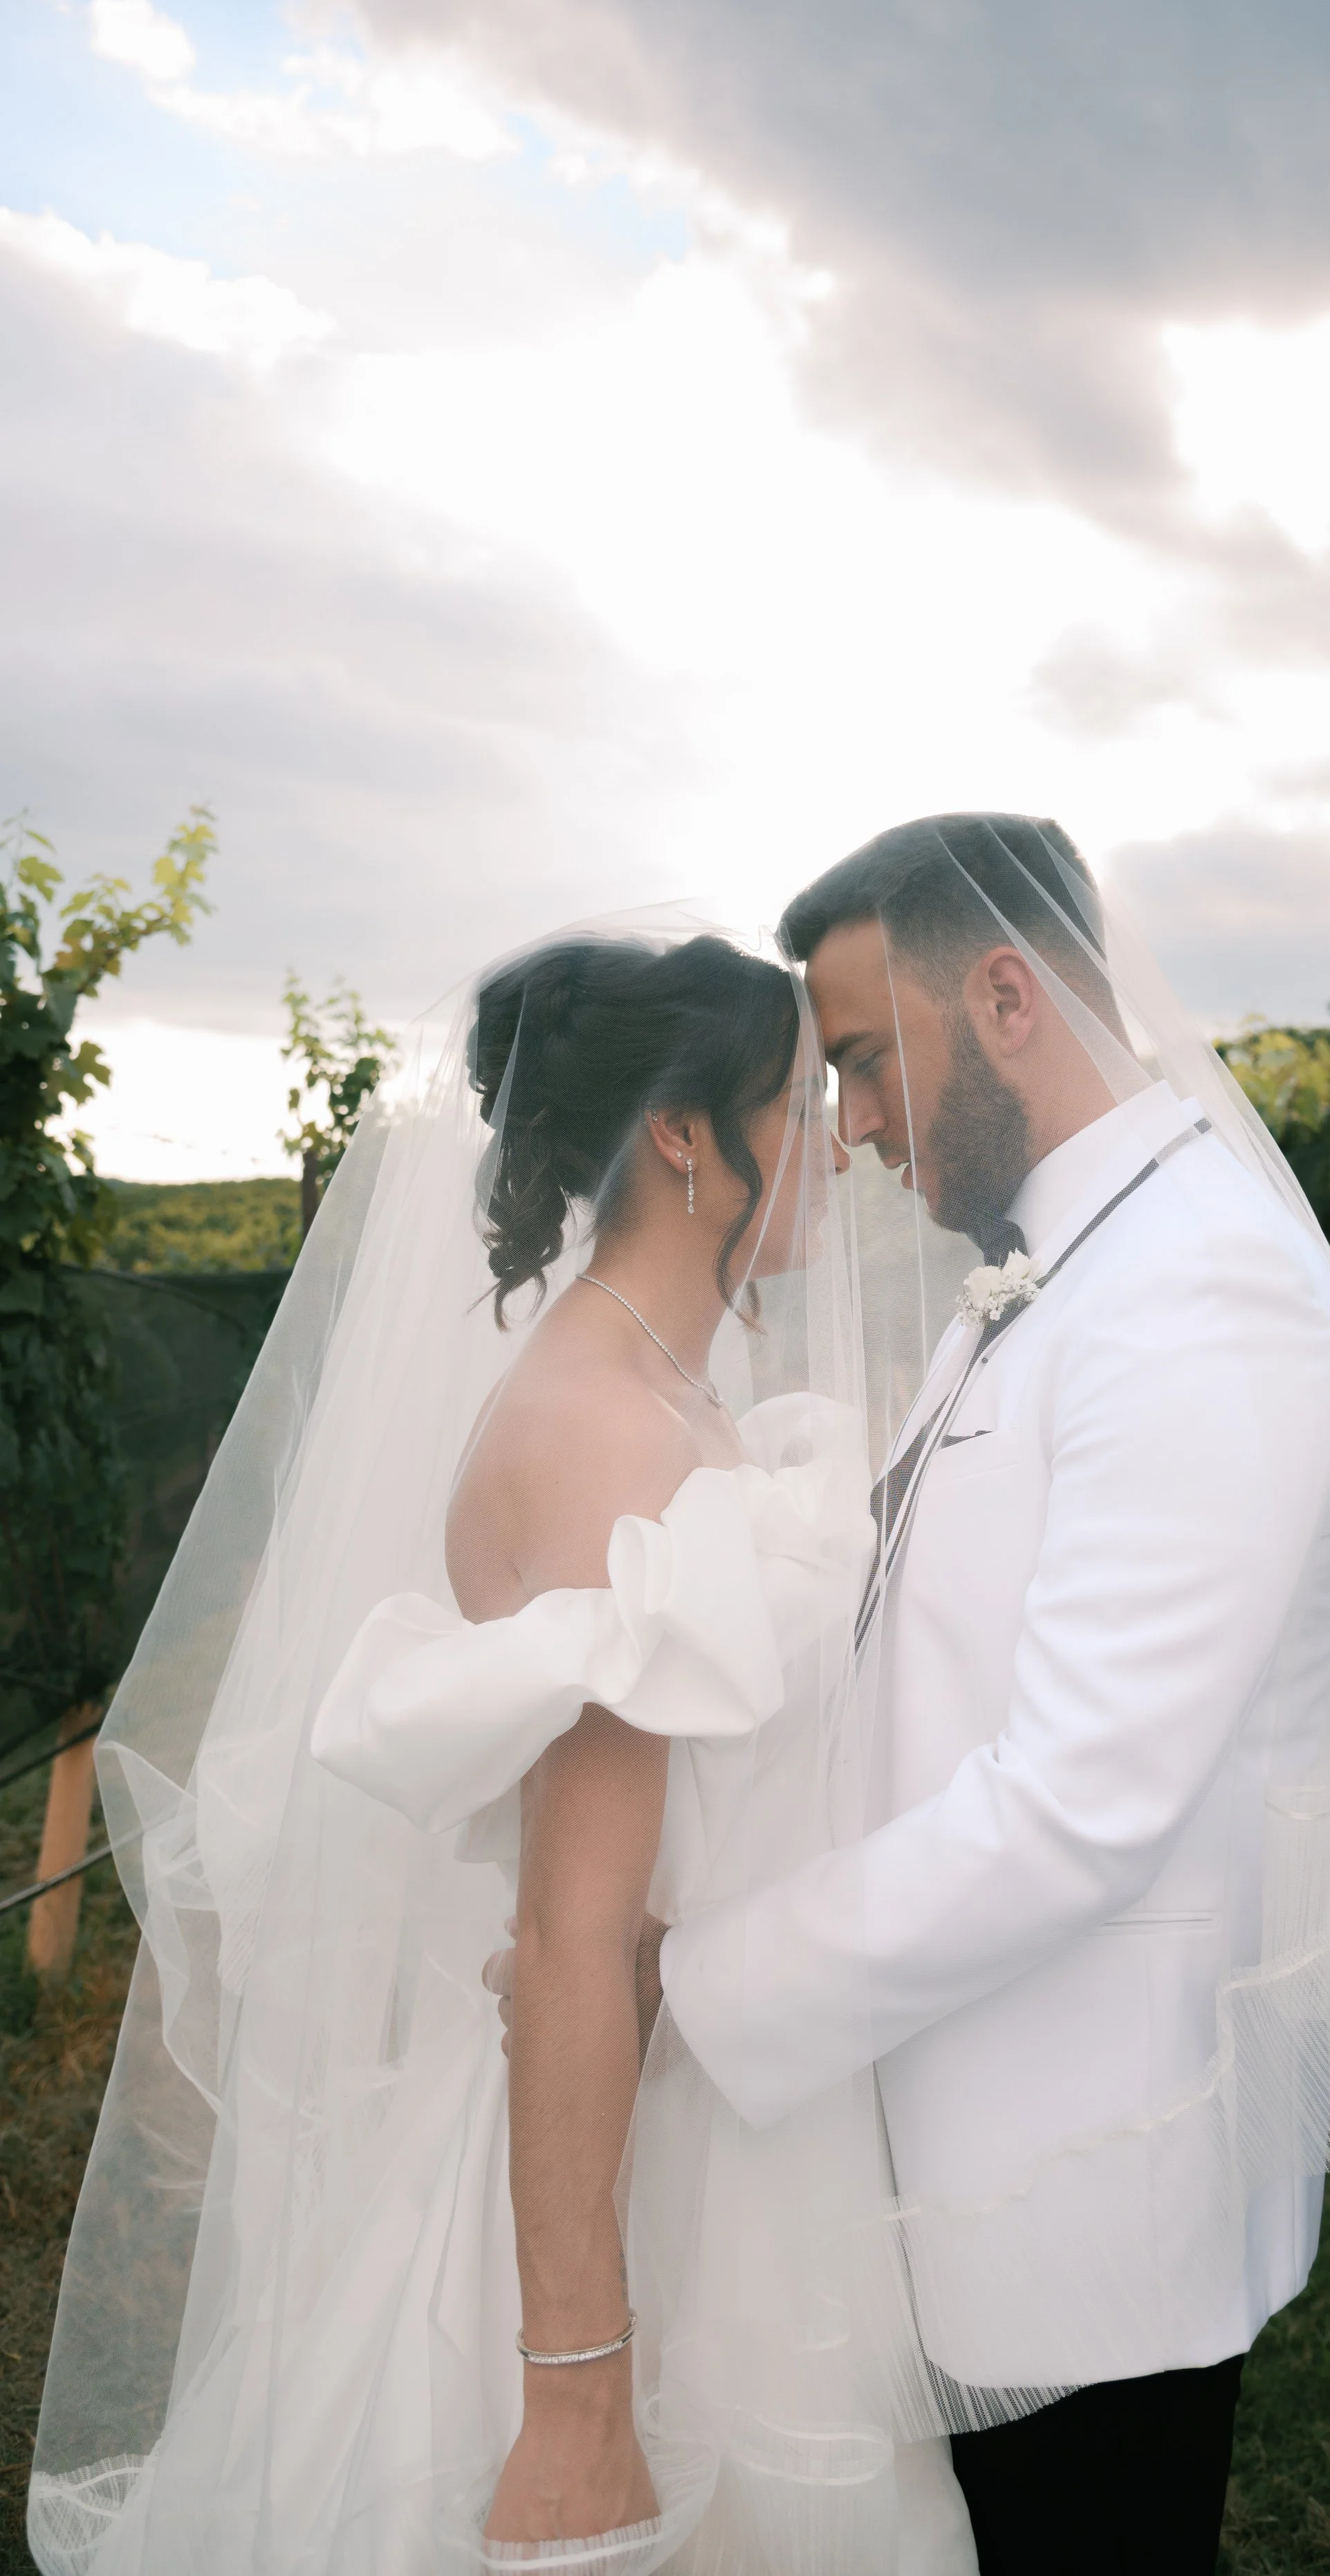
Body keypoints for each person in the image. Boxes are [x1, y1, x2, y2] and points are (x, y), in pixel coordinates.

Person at [29, 921, 979, 2573]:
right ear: (685, 1134)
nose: (835, 1150)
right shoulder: (604, 1431)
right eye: (796, 1103)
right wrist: (576, 2389)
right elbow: (565, 1935)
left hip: (728, 2099)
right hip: (640, 2178)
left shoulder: (673, 1388)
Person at [635, 816, 1330, 2573]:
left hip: (1080, 2197)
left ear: (1001, 994)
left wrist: (699, 1989)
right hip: (965, 2134)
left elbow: (1081, 1800)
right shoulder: (1055, 1265)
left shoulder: (1198, 1288)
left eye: (861, 1060)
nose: (847, 1128)